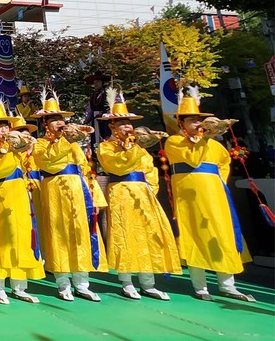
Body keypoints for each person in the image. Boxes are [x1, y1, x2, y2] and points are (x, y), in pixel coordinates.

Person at [165, 90, 254, 301]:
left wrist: (218, 181)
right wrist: (204, 138)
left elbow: (224, 162)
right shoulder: (174, 142)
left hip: (215, 195)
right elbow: (194, 159)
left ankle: (227, 284)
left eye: (199, 120)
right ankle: (200, 286)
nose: (198, 124)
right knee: (193, 234)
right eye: (193, 120)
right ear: (181, 124)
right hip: (190, 196)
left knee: (222, 233)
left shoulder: (215, 144)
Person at [96, 93, 179, 300]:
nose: (127, 128)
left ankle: (148, 283)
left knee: (149, 234)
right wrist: (131, 149)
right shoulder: (106, 147)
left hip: (143, 194)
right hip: (121, 191)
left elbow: (150, 170)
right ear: (113, 128)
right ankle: (127, 282)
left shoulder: (140, 149)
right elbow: (116, 165)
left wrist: (150, 188)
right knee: (124, 235)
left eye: (128, 124)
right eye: (122, 125)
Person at [34, 94, 108, 302]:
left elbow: (85, 170)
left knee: (81, 233)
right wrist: (66, 141)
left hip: (79, 192)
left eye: (61, 119)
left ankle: (82, 282)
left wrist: (95, 197)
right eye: (55, 119)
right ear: (45, 124)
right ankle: (63, 283)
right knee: (58, 234)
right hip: (55, 191)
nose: (60, 123)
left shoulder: (74, 145)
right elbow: (48, 162)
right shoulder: (40, 144)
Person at [0, 100, 45, 304]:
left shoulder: (19, 148)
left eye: (6, 126)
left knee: (21, 236)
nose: (4, 130)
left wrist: (27, 149)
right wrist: (14, 149)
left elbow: (29, 167)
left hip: (19, 194)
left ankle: (19, 285)